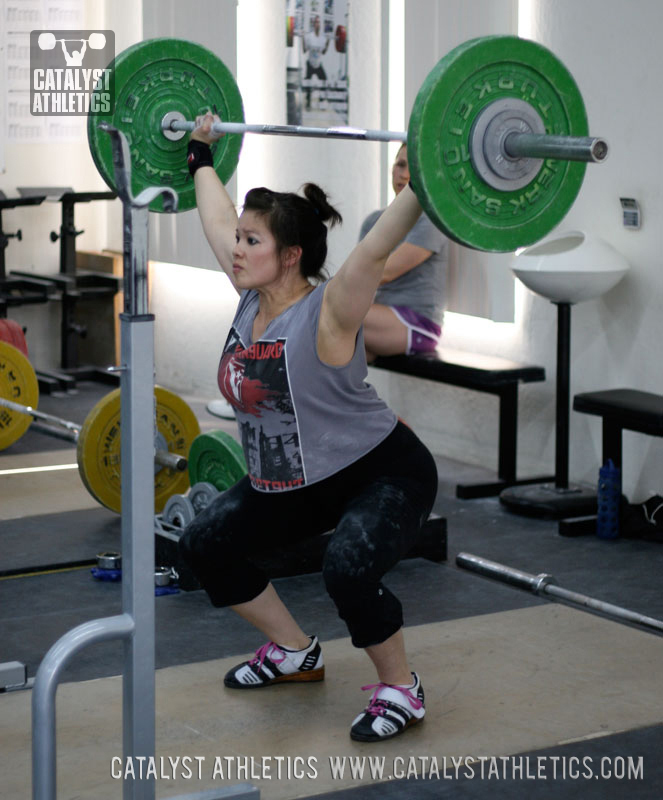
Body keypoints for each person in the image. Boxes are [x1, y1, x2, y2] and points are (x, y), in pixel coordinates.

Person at [179, 112, 438, 743]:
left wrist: (429, 177)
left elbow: (374, 250)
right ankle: (294, 650)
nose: (236, 250)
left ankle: (403, 688)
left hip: (380, 472)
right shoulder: (249, 295)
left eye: (251, 242)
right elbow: (215, 216)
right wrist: (199, 154)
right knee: (205, 544)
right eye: (238, 241)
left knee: (347, 568)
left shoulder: (328, 311)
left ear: (290, 256)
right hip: (294, 480)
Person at [359, 143, 449, 362]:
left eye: (414, 168)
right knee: (329, 350)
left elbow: (383, 273)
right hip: (380, 319)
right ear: (392, 169)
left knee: (325, 315)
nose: (405, 174)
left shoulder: (431, 219)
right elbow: (360, 277)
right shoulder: (373, 221)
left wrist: (321, 296)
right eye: (400, 164)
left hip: (417, 325)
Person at [300, 15, 330, 110]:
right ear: (313, 24)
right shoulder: (309, 37)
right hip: (310, 64)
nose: (317, 24)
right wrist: (302, 39)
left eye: (318, 22)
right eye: (316, 22)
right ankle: (308, 103)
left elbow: (324, 52)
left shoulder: (323, 39)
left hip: (318, 65)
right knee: (308, 82)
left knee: (324, 80)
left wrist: (328, 43)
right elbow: (304, 50)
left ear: (320, 25)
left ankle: (321, 102)